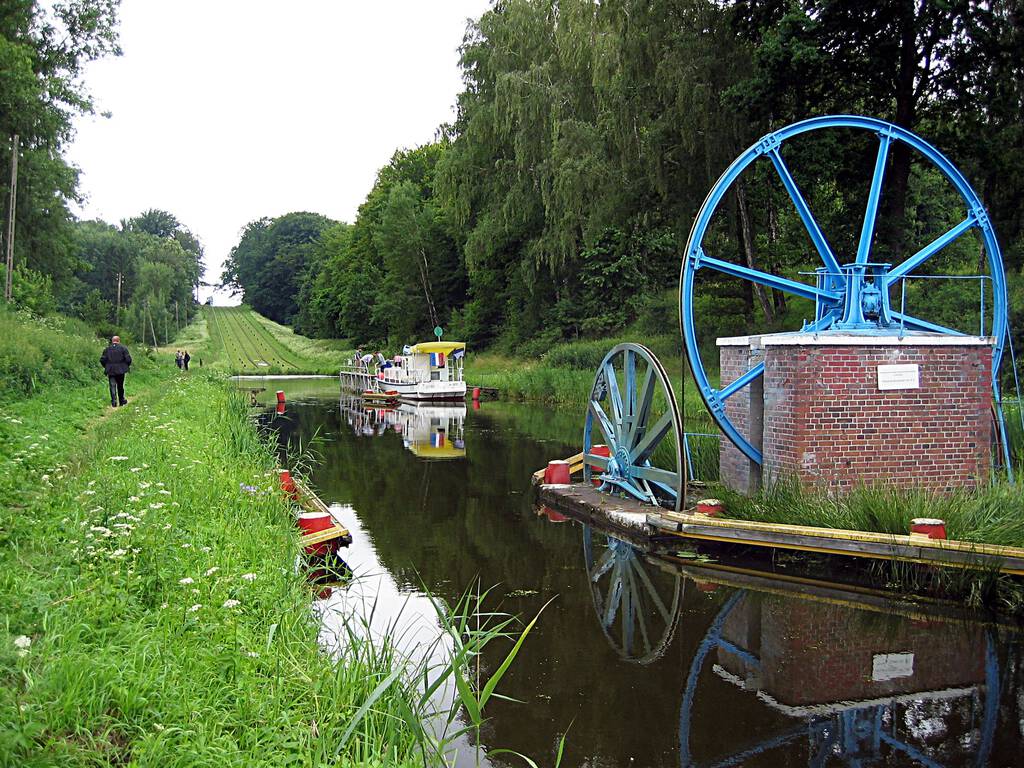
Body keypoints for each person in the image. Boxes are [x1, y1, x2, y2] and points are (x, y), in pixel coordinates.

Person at [100, 335, 132, 408]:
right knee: (120, 386)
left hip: (110, 370)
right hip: (121, 370)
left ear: (112, 341)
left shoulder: (107, 349)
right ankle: (121, 401)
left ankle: (114, 401)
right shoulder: (123, 348)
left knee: (112, 385)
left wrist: (107, 366)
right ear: (119, 341)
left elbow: (102, 360)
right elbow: (128, 360)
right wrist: (125, 366)